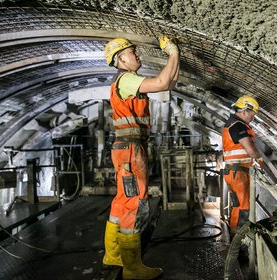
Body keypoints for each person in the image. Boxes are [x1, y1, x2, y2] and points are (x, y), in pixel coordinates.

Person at [102, 36, 179, 279]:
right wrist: (173, 52)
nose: (137, 55)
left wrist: (175, 59)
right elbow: (163, 81)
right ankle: (132, 267)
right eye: (132, 52)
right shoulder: (126, 80)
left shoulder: (125, 81)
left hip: (126, 148)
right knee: (135, 202)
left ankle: (113, 255)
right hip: (131, 149)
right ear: (120, 59)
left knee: (122, 200)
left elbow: (169, 83)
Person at [222, 95, 263, 233]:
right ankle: (240, 240)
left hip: (234, 172)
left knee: (238, 205)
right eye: (252, 115)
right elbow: (250, 150)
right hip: (238, 173)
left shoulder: (233, 123)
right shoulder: (237, 125)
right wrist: (260, 161)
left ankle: (235, 237)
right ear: (245, 111)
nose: (253, 118)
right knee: (243, 207)